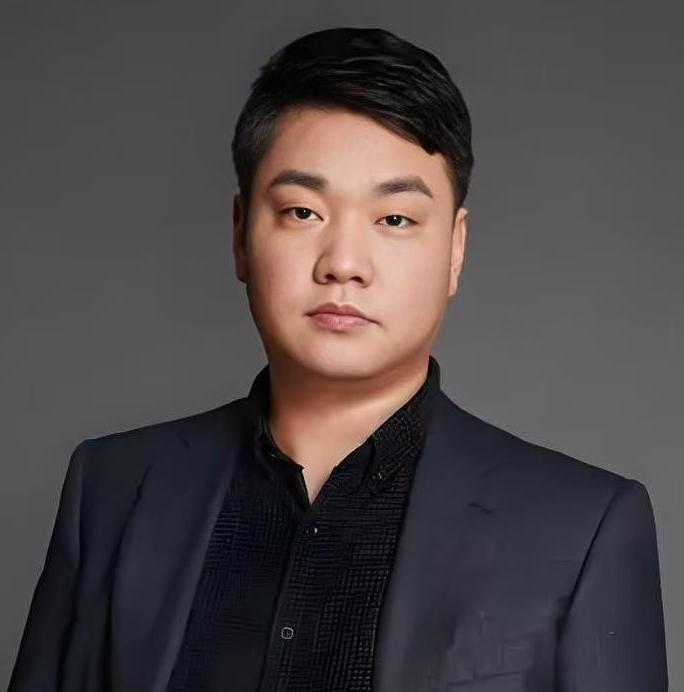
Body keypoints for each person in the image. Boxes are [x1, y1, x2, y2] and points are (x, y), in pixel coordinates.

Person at [8, 26, 667, 692]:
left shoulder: (581, 529)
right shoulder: (112, 490)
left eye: (394, 219)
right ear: (240, 235)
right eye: (302, 212)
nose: (344, 264)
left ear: (455, 249)